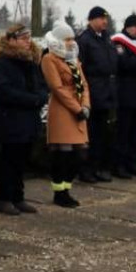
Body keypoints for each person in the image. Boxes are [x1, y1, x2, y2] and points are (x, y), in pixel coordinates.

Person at [0, 24, 46, 215]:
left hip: (29, 120)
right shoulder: (3, 64)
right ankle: (4, 198)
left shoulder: (32, 63)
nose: (27, 41)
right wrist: (31, 100)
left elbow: (41, 85)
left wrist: (40, 97)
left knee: (22, 159)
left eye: (28, 37)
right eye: (22, 38)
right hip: (10, 120)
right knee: (9, 159)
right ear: (11, 40)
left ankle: (18, 196)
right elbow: (4, 91)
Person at [42, 20, 91, 208]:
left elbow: (84, 84)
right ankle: (59, 192)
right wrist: (77, 108)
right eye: (67, 39)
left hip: (79, 111)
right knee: (64, 153)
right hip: (63, 109)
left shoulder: (73, 58)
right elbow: (57, 87)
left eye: (72, 38)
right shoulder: (49, 59)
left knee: (80, 154)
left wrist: (85, 106)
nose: (71, 42)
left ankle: (67, 187)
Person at [75, 6, 117, 183]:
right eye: (101, 18)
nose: (104, 22)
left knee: (101, 134)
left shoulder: (106, 38)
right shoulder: (84, 40)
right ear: (91, 20)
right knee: (90, 134)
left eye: (105, 18)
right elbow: (79, 67)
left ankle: (98, 167)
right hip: (92, 91)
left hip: (106, 91)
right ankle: (86, 170)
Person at [110, 15, 136, 178]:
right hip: (126, 91)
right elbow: (124, 64)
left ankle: (131, 162)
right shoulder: (119, 43)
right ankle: (119, 165)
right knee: (124, 132)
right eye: (135, 27)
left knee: (135, 132)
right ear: (127, 27)